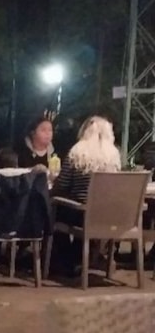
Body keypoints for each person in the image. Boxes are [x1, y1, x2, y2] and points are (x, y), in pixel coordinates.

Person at [51, 116, 121, 274]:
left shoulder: (77, 152)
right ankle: (81, 258)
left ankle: (62, 261)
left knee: (56, 209)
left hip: (81, 214)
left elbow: (62, 184)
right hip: (108, 215)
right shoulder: (113, 155)